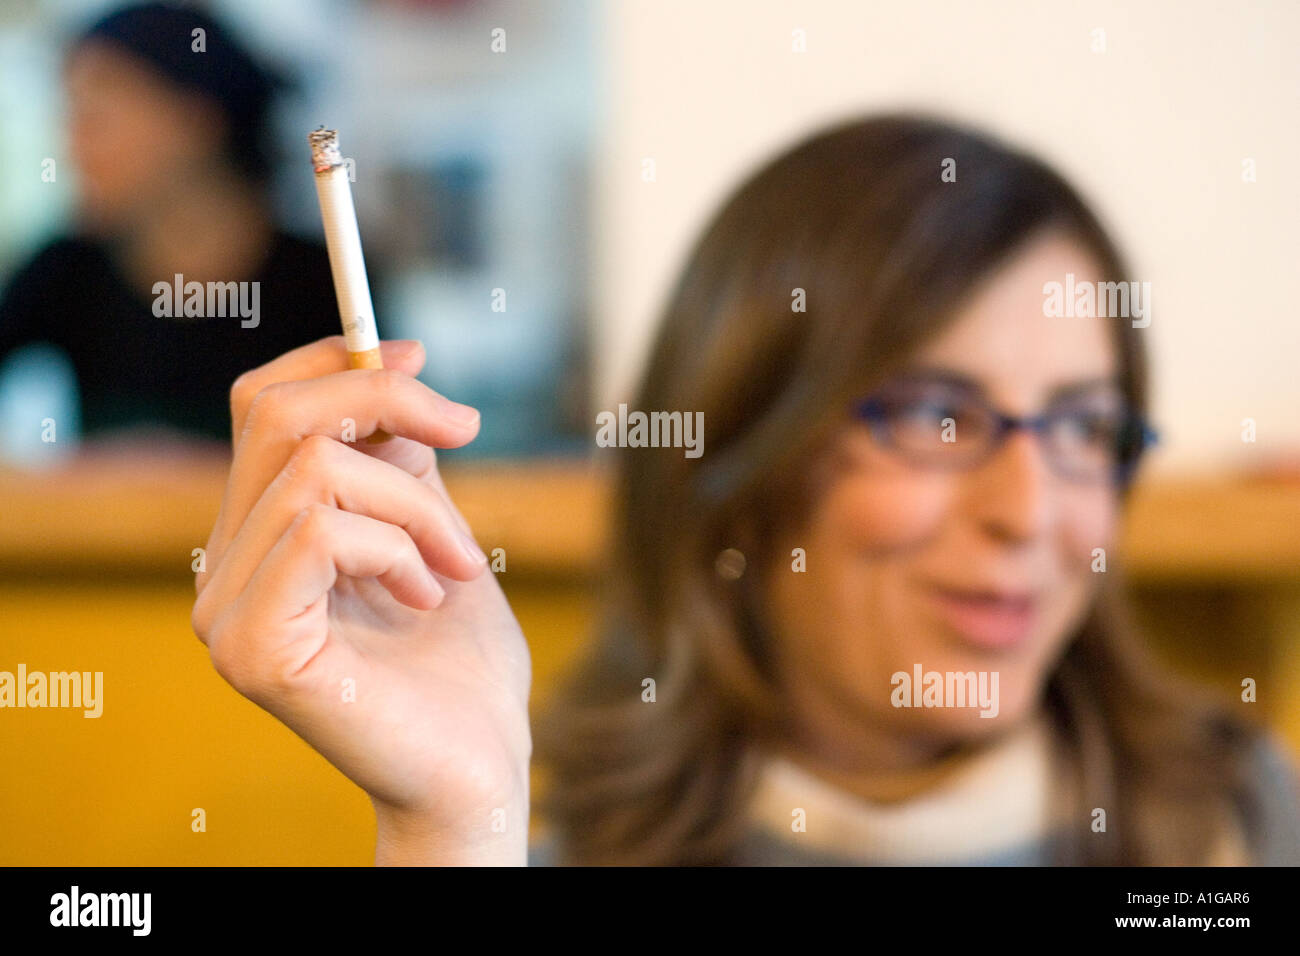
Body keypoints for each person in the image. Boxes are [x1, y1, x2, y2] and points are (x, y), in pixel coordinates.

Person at [189, 113, 1300, 866]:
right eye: (933, 416)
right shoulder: (559, 837)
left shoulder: (1231, 820)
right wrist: (454, 825)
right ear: (741, 452)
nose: (1028, 509)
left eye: (1078, 425)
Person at [0, 2, 340, 445]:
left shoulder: (321, 282)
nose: (71, 148)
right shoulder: (65, 271)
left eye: (93, 118)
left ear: (195, 121)